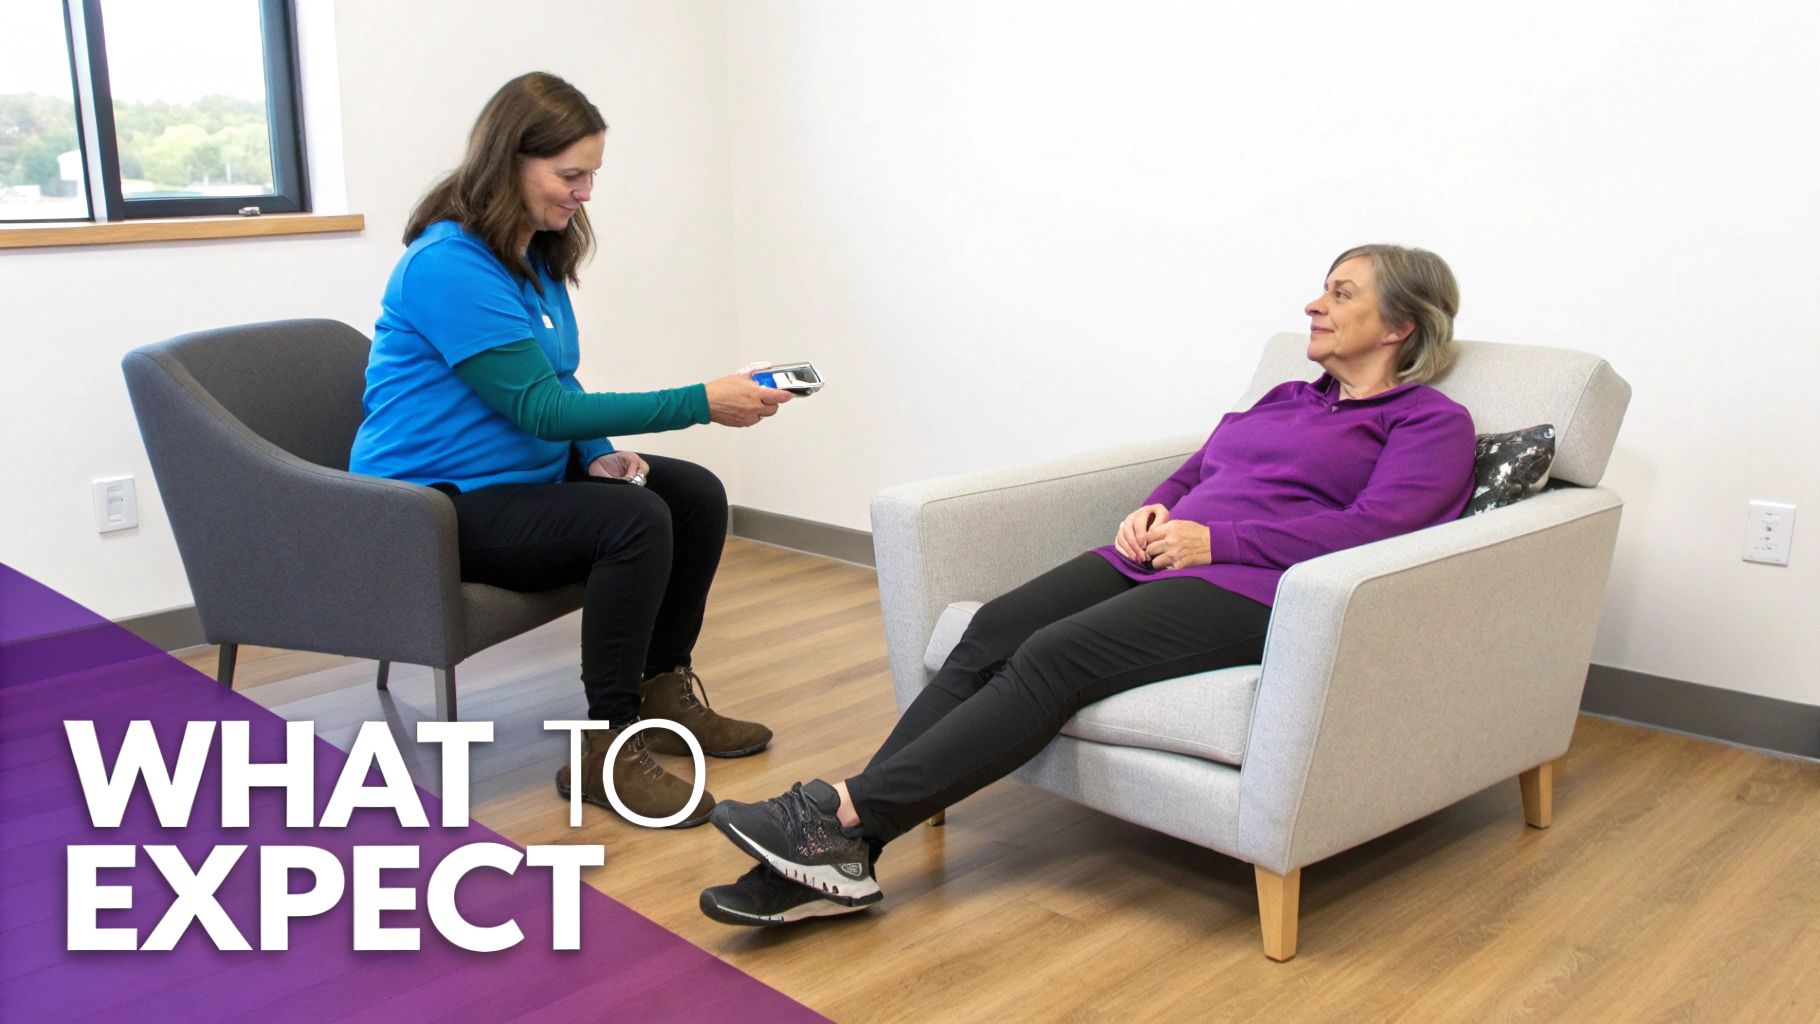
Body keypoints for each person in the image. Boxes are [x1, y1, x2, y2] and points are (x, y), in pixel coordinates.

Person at [697, 244, 1477, 924]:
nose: (1315, 303)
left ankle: (843, 815)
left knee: (1055, 654)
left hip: (1260, 588)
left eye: (1342, 293)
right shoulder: (1286, 396)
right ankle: (846, 853)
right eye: (1323, 288)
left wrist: (1220, 539)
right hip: (1166, 553)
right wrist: (1156, 506)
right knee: (992, 630)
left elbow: (1381, 528)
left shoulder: (1428, 422)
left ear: (1401, 324)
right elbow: (1207, 464)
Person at [349, 72, 792, 829]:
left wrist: (598, 450)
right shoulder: (449, 265)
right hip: (429, 505)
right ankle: (605, 744)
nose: (585, 192)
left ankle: (660, 691)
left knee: (692, 494)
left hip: (516, 477)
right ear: (509, 161)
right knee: (634, 522)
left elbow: (553, 379)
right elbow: (539, 406)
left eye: (592, 174)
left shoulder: (536, 249)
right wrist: (699, 402)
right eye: (570, 174)